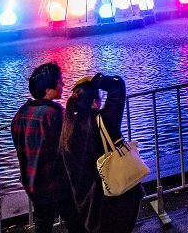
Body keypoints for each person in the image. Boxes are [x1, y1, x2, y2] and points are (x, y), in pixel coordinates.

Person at [60, 74, 144, 233]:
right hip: (114, 198)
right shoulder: (103, 120)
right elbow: (118, 86)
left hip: (86, 205)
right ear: (95, 101)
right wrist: (99, 80)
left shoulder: (67, 130)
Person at [11, 62, 85, 233]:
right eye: (60, 81)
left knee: (42, 225)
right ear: (49, 87)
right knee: (77, 223)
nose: (63, 85)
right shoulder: (54, 114)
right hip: (57, 185)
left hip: (33, 185)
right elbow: (72, 145)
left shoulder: (20, 114)